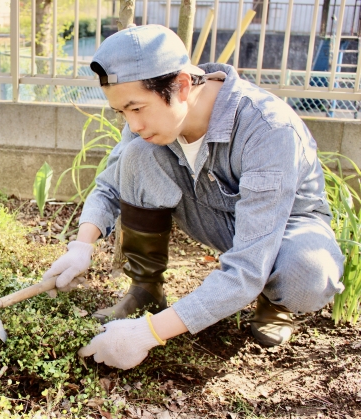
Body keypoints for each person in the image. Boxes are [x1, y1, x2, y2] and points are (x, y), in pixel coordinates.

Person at [42, 25, 345, 370]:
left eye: (137, 108)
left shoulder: (267, 128)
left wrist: (148, 334)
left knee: (308, 275)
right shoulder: (149, 116)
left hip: (285, 226)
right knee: (138, 154)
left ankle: (275, 304)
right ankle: (145, 290)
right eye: (122, 112)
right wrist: (81, 246)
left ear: (183, 86)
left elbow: (249, 264)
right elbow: (111, 184)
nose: (133, 124)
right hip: (211, 211)